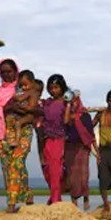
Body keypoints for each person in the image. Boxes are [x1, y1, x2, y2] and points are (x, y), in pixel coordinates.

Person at [0, 69, 38, 212]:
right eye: (20, 85)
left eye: (26, 85)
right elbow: (3, 108)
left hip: (24, 130)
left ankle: (11, 203)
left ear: (33, 83)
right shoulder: (16, 93)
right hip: (9, 131)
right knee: (10, 166)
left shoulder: (33, 94)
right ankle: (28, 196)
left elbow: (32, 110)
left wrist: (17, 106)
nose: (23, 87)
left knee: (17, 163)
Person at [64, 90, 95, 211]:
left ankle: (86, 200)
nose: (74, 104)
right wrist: (67, 106)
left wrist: (96, 151)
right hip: (70, 148)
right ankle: (74, 201)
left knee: (83, 175)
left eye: (75, 101)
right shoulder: (67, 114)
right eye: (72, 101)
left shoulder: (85, 115)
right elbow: (65, 123)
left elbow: (90, 134)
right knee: (72, 176)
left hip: (82, 148)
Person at [40, 74, 68, 204]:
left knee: (55, 169)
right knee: (47, 169)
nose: (53, 90)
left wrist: (68, 106)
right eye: (51, 88)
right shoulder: (47, 103)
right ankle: (54, 195)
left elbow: (67, 121)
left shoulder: (65, 103)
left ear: (62, 88)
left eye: (56, 87)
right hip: (47, 139)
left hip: (59, 139)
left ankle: (56, 198)